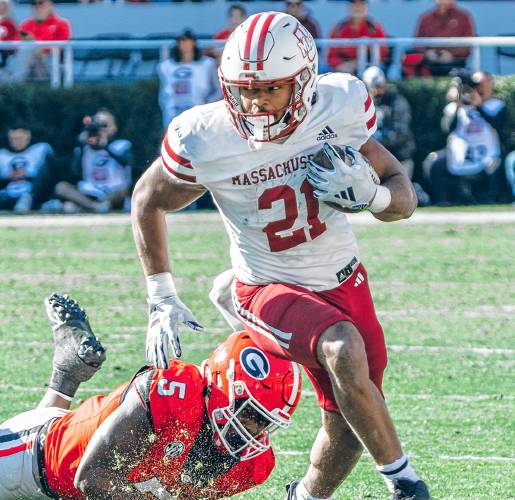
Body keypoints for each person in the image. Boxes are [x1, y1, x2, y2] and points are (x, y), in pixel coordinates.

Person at [131, 11, 430, 500]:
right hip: (265, 281)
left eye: (270, 89)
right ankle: (407, 485)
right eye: (244, 89)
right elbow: (148, 198)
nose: (255, 103)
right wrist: (160, 294)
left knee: (353, 418)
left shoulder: (338, 106)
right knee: (342, 348)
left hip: (342, 279)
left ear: (306, 81)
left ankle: (307, 496)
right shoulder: (207, 136)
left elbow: (404, 198)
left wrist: (372, 197)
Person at [0, 293, 301, 499]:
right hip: (36, 460)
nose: (254, 431)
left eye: (265, 422)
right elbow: (93, 478)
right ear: (219, 386)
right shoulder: (172, 391)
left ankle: (67, 373)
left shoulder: (254, 464)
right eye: (250, 414)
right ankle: (66, 372)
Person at [424, 70, 502, 205]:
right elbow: (447, 128)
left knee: (495, 165)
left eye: (481, 84)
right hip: (460, 153)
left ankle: (490, 201)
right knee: (434, 163)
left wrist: (479, 105)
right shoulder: (456, 107)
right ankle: (443, 201)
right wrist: (457, 104)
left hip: (486, 152)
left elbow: (497, 124)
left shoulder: (496, 105)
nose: (477, 88)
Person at [54, 109, 132, 213]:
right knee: (61, 187)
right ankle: (95, 207)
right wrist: (81, 145)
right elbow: (75, 173)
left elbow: (127, 163)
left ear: (114, 128)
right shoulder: (85, 148)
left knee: (123, 190)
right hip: (91, 192)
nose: (100, 129)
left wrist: (106, 146)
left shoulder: (122, 145)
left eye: (104, 125)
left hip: (112, 192)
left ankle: (90, 207)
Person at [157, 29, 221, 129]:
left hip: (198, 114)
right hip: (173, 114)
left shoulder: (207, 64)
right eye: (181, 41)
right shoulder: (167, 66)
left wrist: (206, 106)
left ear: (194, 43)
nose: (185, 44)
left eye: (188, 41)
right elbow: (163, 94)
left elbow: (218, 90)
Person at [404, 0, 475, 77]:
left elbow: (467, 44)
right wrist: (428, 53)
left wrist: (451, 55)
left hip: (455, 62)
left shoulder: (464, 17)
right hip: (429, 62)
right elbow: (418, 43)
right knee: (408, 58)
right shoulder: (425, 18)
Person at [0, 124, 54, 213]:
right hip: (8, 193)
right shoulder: (2, 155)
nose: (16, 142)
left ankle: (32, 200)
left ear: (28, 136)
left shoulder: (40, 150)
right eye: (13, 139)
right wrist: (9, 177)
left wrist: (27, 174)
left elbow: (49, 173)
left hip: (34, 192)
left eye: (20, 138)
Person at [13, 0, 71, 82]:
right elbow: (15, 45)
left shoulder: (62, 24)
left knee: (30, 50)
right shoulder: (26, 24)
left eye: (40, 3)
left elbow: (61, 47)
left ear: (50, 5)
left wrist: (36, 43)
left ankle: (16, 83)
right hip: (30, 62)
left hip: (51, 61)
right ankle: (17, 81)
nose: (37, 6)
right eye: (33, 3)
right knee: (26, 50)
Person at [327, 0, 388, 74]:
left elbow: (383, 53)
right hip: (343, 70)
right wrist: (340, 65)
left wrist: (359, 63)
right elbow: (331, 56)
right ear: (349, 7)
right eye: (354, 4)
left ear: (366, 7)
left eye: (361, 4)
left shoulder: (374, 28)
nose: (357, 8)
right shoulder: (338, 28)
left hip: (368, 68)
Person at [0, 0, 17, 73]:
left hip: (7, 53)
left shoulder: (10, 23)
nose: (2, 8)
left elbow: (13, 37)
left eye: (4, 6)